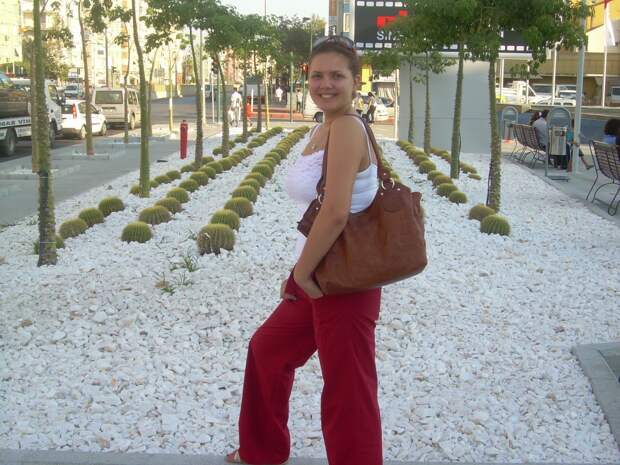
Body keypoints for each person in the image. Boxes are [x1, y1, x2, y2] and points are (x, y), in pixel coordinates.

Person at [226, 35, 383, 465]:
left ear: (355, 81)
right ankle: (262, 449)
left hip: (345, 280)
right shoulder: (322, 127)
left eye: (337, 75)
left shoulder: (348, 127)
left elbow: (335, 213)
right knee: (267, 350)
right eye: (317, 75)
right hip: (315, 273)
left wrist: (301, 274)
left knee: (348, 391)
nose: (325, 84)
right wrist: (300, 271)